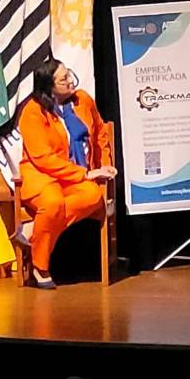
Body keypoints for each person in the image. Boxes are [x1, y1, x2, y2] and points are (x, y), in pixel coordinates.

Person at [18, 59, 117, 289]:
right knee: (52, 203)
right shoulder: (33, 112)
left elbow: (101, 134)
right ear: (49, 87)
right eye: (64, 79)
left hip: (75, 176)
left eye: (69, 74)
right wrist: (84, 174)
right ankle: (40, 267)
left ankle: (34, 231)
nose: (71, 81)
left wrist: (104, 166)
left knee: (93, 195)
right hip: (42, 175)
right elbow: (43, 158)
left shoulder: (83, 100)